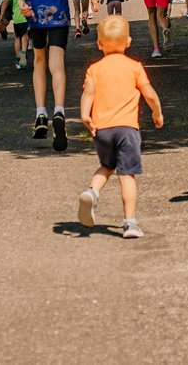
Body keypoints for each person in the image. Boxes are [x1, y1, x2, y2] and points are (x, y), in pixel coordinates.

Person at [78, 15, 164, 239]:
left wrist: (85, 115)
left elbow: (88, 93)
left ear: (99, 44)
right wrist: (157, 113)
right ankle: (130, 223)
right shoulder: (134, 67)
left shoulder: (94, 69)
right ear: (128, 42)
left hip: (103, 129)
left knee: (107, 167)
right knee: (127, 176)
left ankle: (92, 192)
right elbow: (150, 95)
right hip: (127, 129)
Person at [16, 0, 91, 152]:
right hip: (59, 12)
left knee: (39, 61)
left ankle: (40, 114)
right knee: (57, 64)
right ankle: (59, 110)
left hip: (36, 11)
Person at [0, 0, 29, 69]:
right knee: (24, 38)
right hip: (26, 17)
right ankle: (23, 55)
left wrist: (2, 15)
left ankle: (17, 57)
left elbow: (5, 1)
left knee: (17, 38)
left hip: (16, 19)